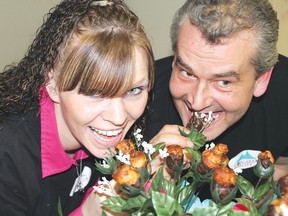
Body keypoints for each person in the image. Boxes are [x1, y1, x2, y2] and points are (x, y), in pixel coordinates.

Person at [0, 0, 154, 215]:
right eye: (95, 93)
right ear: (52, 84)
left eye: (133, 90)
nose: (119, 118)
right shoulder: (8, 156)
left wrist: (155, 187)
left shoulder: (121, 137)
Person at [144, 0, 288, 197]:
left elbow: (283, 166)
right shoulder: (132, 101)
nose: (197, 102)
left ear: (261, 79)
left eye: (224, 82)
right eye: (186, 72)